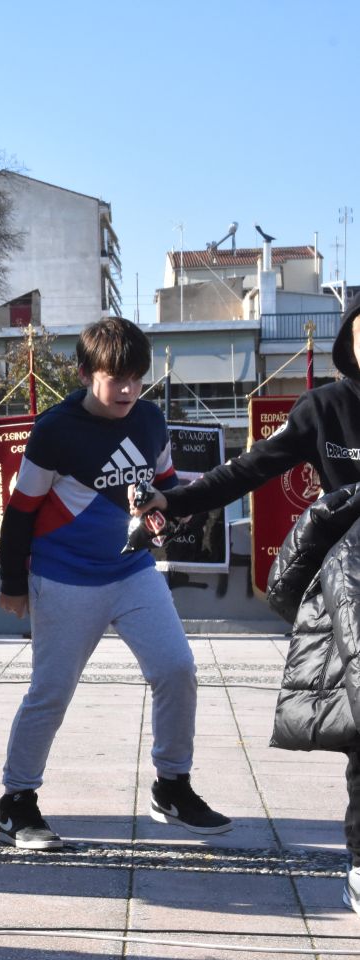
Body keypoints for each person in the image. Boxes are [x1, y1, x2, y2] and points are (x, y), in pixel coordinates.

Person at [139, 302, 360, 896]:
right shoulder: (325, 409)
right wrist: (172, 502)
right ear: (350, 339)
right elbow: (246, 469)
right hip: (354, 596)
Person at [0, 317, 231, 850]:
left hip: (132, 572)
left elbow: (166, 487)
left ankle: (172, 786)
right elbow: (21, 511)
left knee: (177, 669)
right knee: (51, 693)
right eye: (114, 378)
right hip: (63, 578)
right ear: (84, 374)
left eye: (135, 378)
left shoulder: (149, 420)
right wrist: (13, 582)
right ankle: (16, 803)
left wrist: (169, 513)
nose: (127, 389)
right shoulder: (55, 429)